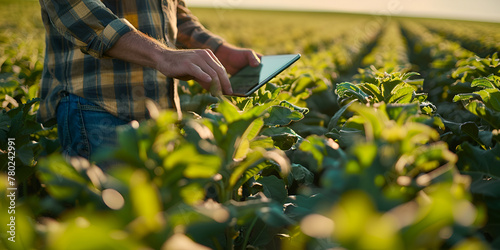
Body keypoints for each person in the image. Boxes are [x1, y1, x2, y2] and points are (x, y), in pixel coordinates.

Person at [37, 0, 260, 166]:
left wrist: (220, 51)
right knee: (112, 223)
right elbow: (71, 6)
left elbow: (171, 11)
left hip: (159, 112)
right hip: (97, 104)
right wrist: (163, 55)